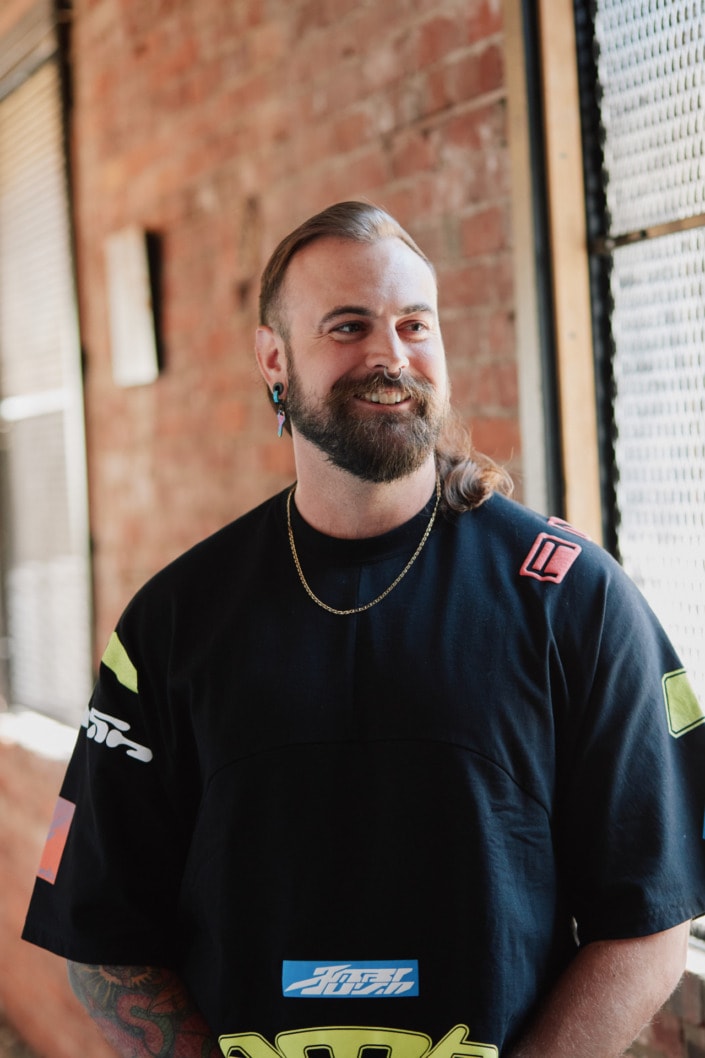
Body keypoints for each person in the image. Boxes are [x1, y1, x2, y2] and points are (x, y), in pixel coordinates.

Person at [23, 201, 705, 1058]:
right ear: (274, 359)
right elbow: (105, 938)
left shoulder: (573, 600)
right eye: (348, 326)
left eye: (413, 324)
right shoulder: (174, 621)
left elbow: (648, 921)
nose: (389, 354)